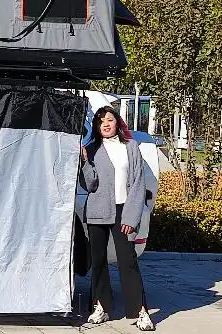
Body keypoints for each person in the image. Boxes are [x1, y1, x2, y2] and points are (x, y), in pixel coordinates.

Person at [79, 106, 155, 331]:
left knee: (127, 261)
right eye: (101, 120)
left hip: (123, 211)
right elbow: (89, 184)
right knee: (99, 261)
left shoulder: (130, 147)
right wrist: (84, 162)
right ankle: (100, 307)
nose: (105, 124)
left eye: (109, 119)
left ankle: (141, 311)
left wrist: (131, 216)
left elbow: (138, 184)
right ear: (97, 126)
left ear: (117, 122)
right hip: (97, 211)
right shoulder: (92, 148)